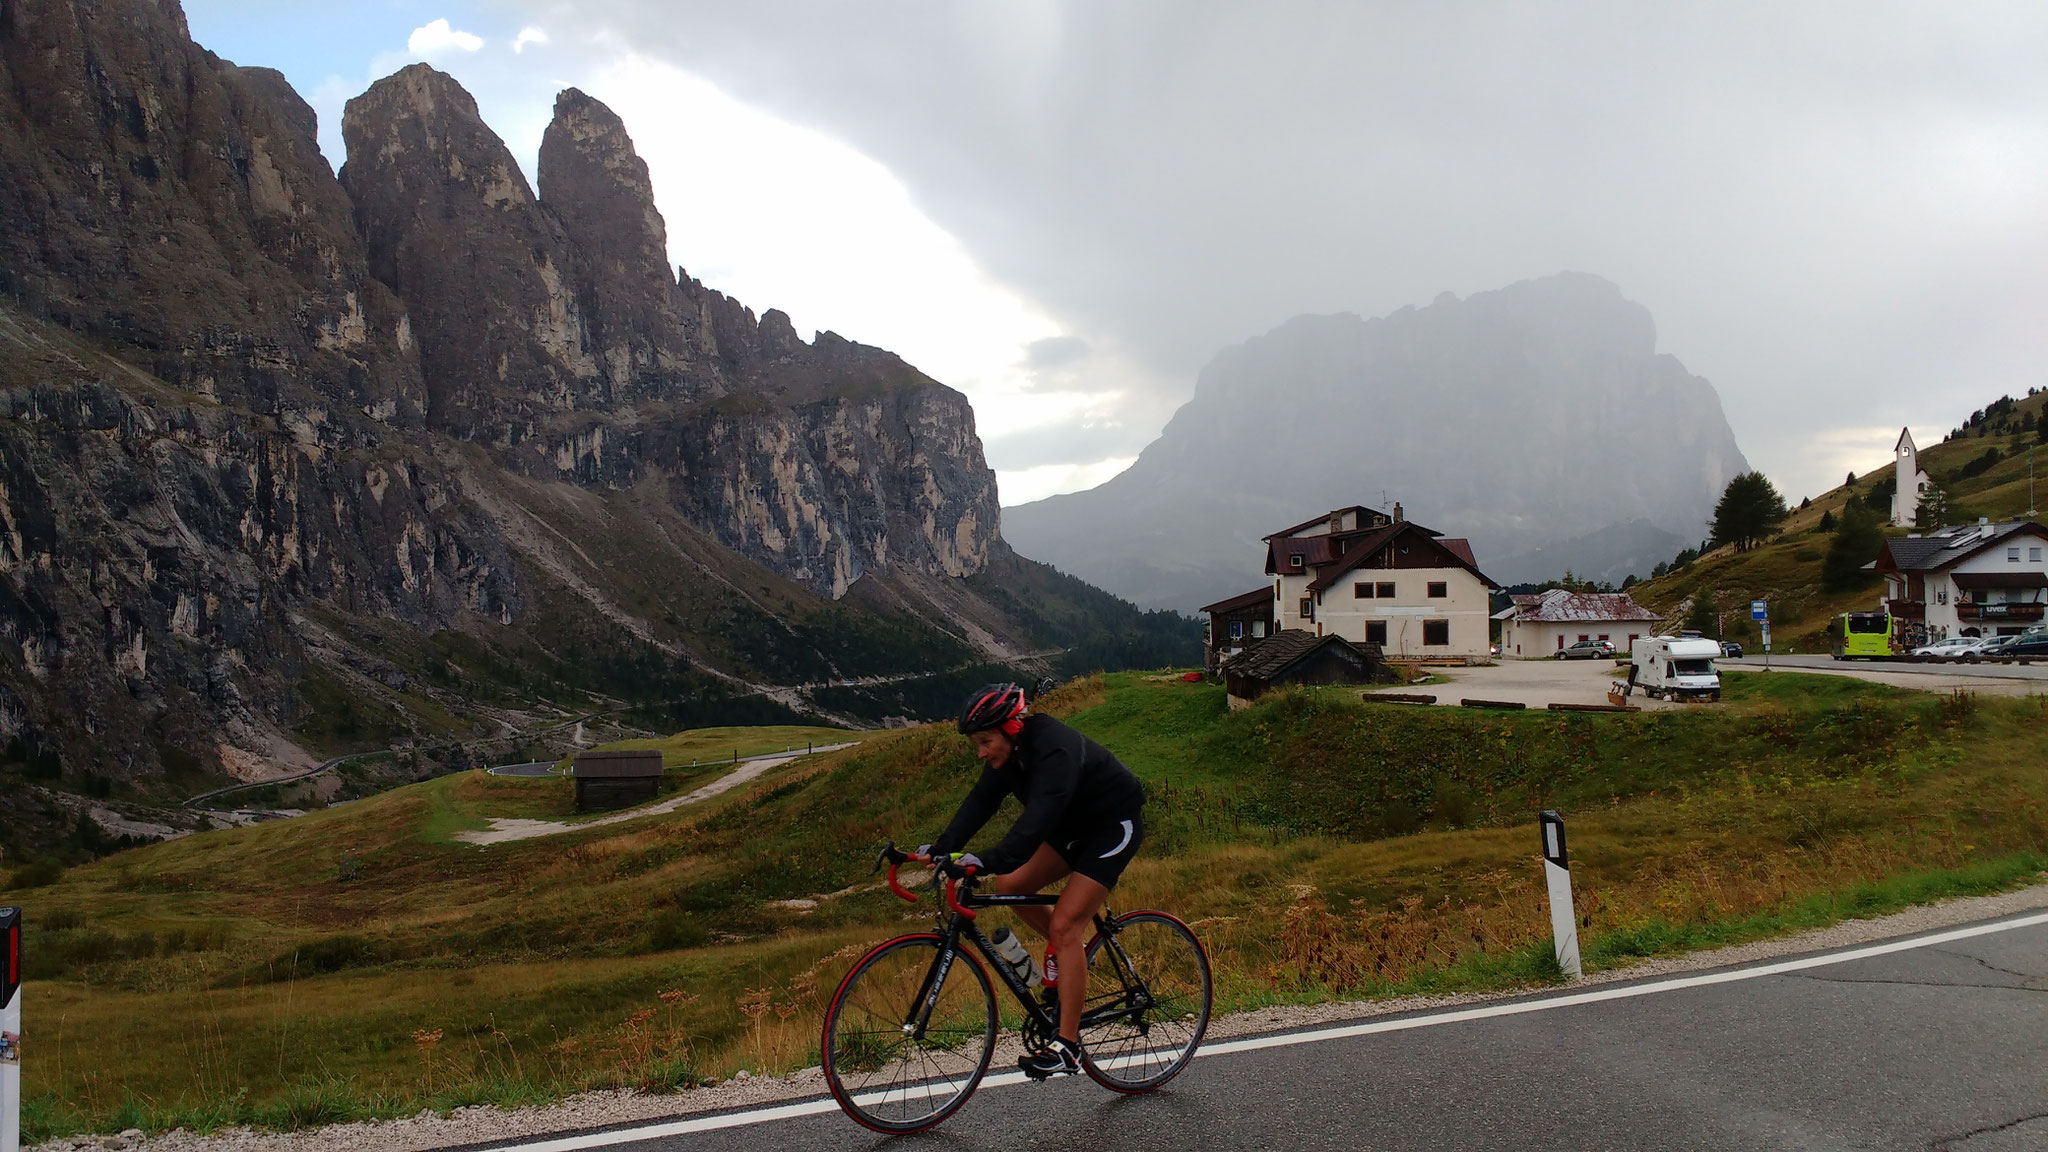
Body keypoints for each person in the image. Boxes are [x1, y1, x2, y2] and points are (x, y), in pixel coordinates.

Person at [918, 682, 1146, 1079]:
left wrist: (985, 860)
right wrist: (944, 847)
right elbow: (980, 802)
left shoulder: (1053, 748)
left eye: (985, 741)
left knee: (1064, 924)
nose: (981, 751)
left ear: (1011, 727)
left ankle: (1069, 1046)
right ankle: (1062, 950)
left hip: (1112, 826)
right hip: (1071, 830)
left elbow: (1035, 822)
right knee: (1009, 887)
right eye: (977, 743)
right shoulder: (1007, 756)